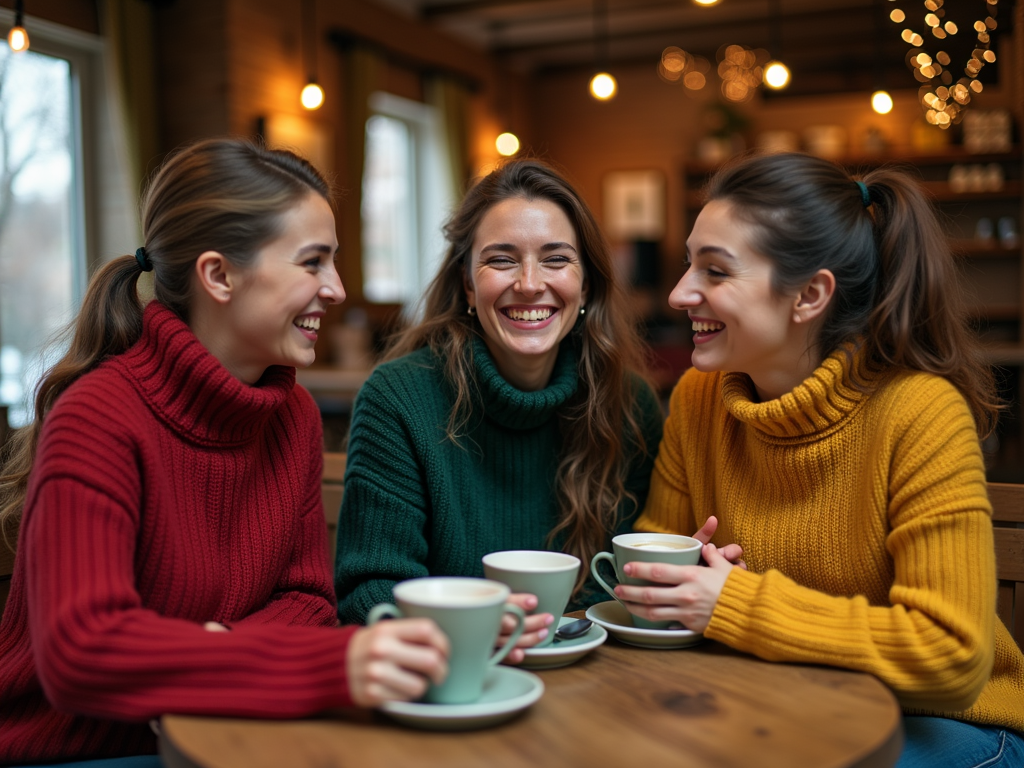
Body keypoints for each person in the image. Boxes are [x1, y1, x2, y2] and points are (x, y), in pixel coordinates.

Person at [0, 138, 449, 767]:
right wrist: (322, 665)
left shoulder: (288, 414)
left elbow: (308, 600)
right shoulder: (97, 417)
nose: (339, 289)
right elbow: (82, 651)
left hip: (227, 731)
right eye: (312, 263)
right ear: (219, 275)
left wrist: (213, 654)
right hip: (76, 752)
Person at [618, 152, 1024, 767]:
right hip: (787, 703)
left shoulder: (921, 413)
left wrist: (731, 603)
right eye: (687, 264)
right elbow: (652, 563)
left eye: (716, 271)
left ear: (809, 294)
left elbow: (953, 659)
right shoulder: (700, 398)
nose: (680, 294)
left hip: (948, 726)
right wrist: (678, 582)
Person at [334, 159, 664, 657]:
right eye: (502, 260)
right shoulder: (398, 400)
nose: (530, 284)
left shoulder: (629, 403)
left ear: (587, 285)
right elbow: (369, 594)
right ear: (468, 284)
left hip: (599, 677)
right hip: (452, 680)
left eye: (556, 259)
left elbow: (626, 584)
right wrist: (470, 636)